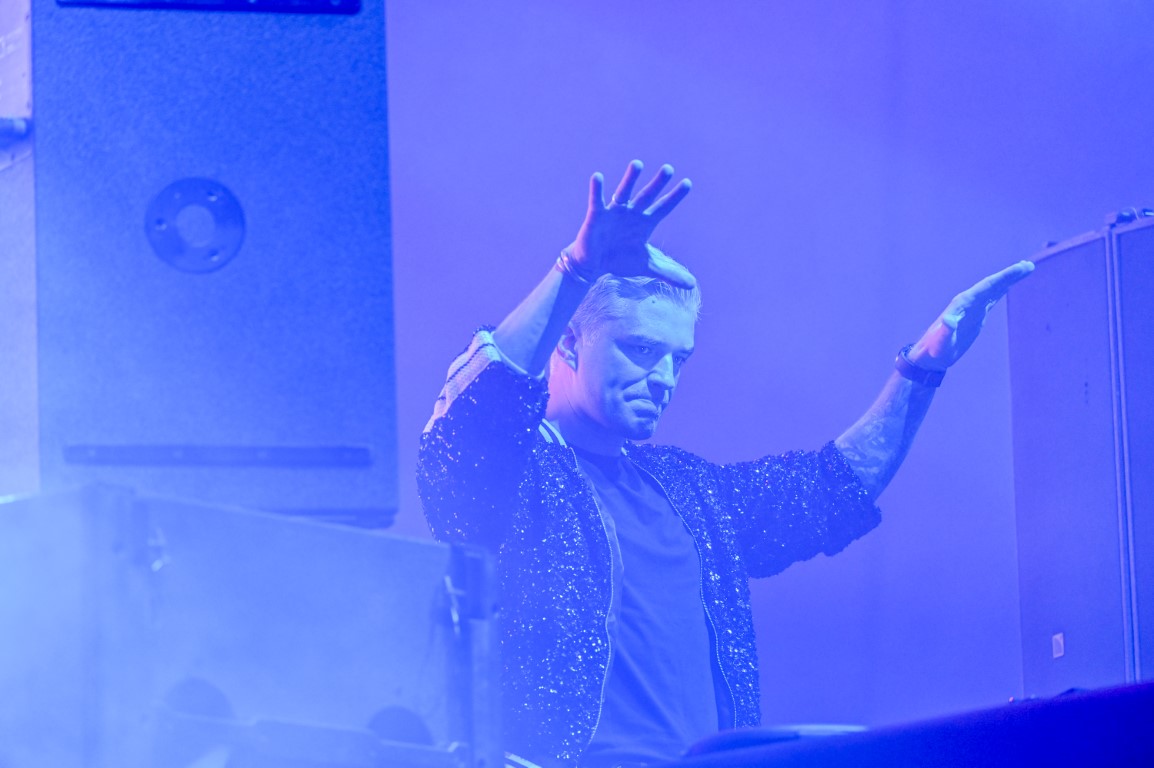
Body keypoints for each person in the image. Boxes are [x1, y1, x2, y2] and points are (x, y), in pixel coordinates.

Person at [417, 160, 1033, 768]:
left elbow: (830, 489)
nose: (664, 378)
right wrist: (575, 271)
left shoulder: (687, 490)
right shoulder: (514, 476)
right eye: (641, 349)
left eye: (679, 359)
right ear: (570, 342)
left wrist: (921, 369)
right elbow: (478, 410)